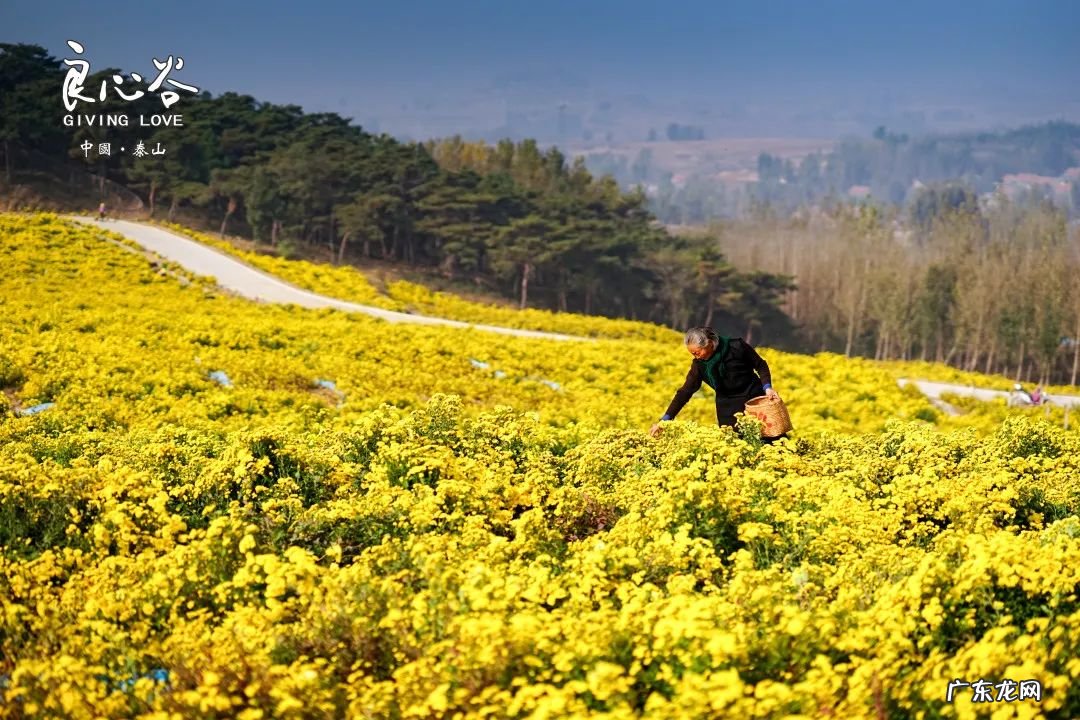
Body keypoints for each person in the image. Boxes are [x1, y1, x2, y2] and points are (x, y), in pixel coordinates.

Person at [649, 326, 781, 438]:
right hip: (728, 411)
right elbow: (685, 392)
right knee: (736, 446)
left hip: (755, 402)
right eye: (693, 354)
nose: (696, 357)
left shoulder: (736, 347)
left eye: (697, 352)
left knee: (770, 439)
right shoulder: (699, 365)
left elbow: (760, 365)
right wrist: (665, 420)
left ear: (710, 343)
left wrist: (767, 387)